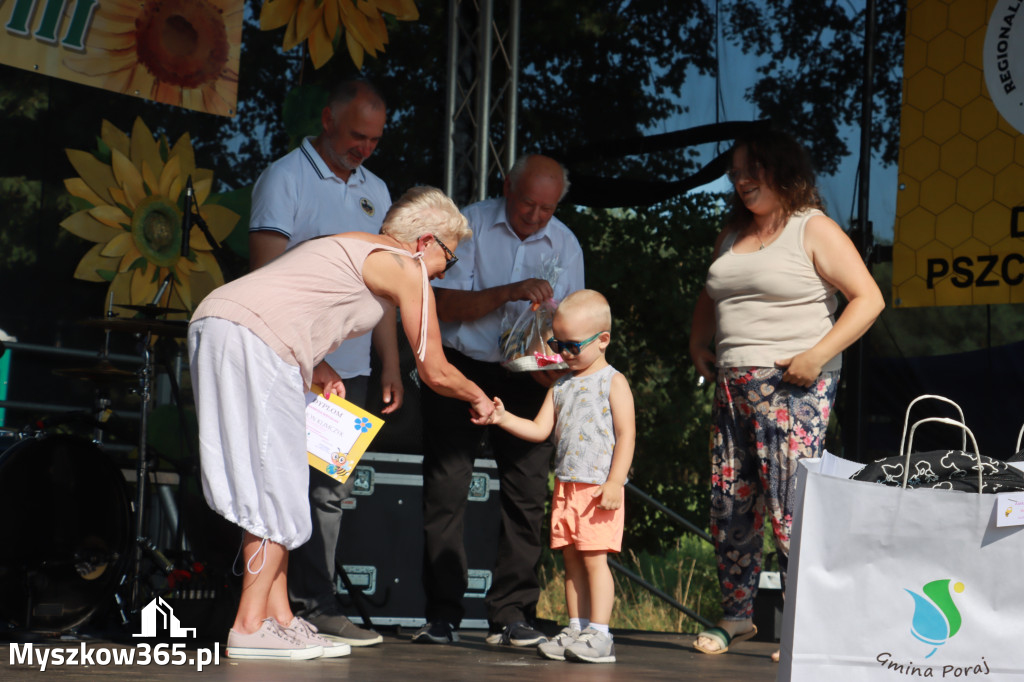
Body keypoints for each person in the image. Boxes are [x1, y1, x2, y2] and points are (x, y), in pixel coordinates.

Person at [188, 187, 494, 660]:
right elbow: (432, 367)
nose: (442, 271)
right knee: (275, 485)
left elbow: (292, 302)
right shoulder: (405, 264)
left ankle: (278, 618)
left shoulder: (355, 244)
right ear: (426, 241)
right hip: (252, 340)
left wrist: (320, 367)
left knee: (283, 485)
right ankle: (249, 624)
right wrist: (479, 397)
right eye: (448, 259)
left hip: (239, 331)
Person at [688, 130, 885, 660]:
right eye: (736, 172)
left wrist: (817, 355)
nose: (742, 180)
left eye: (753, 169)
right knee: (731, 502)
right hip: (733, 385)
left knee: (790, 505)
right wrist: (698, 342)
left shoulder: (813, 228)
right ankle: (737, 616)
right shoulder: (732, 231)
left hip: (792, 387)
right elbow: (714, 290)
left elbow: (868, 299)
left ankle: (812, 624)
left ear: (784, 170)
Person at [249, 78, 398, 647]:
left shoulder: (376, 190)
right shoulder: (285, 178)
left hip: (352, 368)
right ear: (328, 119)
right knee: (282, 485)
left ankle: (313, 606)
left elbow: (382, 288)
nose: (365, 148)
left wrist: (388, 361)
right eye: (358, 135)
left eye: (376, 140)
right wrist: (309, 361)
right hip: (291, 362)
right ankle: (285, 610)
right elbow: (264, 280)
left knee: (329, 489)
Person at [413, 154, 585, 646]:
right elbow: (440, 304)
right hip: (460, 364)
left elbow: (572, 323)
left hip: (527, 374)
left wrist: (552, 349)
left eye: (546, 209)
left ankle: (512, 614)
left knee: (528, 493)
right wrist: (510, 292)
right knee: (446, 489)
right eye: (527, 203)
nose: (534, 216)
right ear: (506, 186)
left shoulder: (567, 243)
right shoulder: (468, 225)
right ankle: (441, 614)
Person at [478, 289, 635, 664]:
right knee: (571, 562)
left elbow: (627, 434)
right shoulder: (561, 385)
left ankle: (600, 634)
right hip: (567, 487)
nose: (562, 353)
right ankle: (577, 626)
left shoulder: (613, 382)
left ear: (602, 340)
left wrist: (615, 481)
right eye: (556, 344)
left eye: (571, 346)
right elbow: (539, 429)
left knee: (595, 560)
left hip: (598, 488)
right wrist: (503, 418)